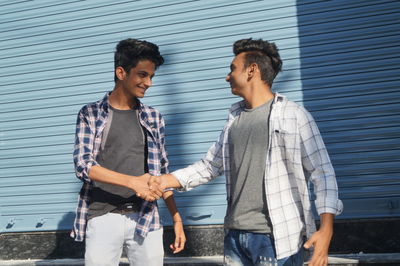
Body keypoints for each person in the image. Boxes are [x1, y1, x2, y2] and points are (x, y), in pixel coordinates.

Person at [150, 38, 343, 266]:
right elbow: (210, 165)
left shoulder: (293, 115)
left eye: (232, 69)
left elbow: (323, 173)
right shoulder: (235, 119)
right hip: (235, 236)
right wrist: (163, 181)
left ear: (252, 70)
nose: (227, 76)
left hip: (277, 239)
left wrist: (326, 229)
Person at [72, 38, 186, 266]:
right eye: (143, 75)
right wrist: (133, 182)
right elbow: (83, 165)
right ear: (121, 73)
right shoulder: (91, 113)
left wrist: (176, 218)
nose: (149, 83)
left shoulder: (153, 117)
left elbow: (162, 171)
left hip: (146, 218)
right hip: (103, 215)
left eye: (151, 76)